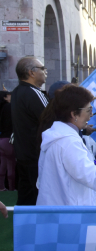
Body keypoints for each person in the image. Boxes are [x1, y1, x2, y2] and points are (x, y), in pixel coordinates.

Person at [11, 57, 49, 205]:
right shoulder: (34, 93)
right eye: (42, 68)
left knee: (26, 198)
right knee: (40, 198)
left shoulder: (16, 92)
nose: (45, 71)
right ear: (31, 73)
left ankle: (23, 226)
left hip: (23, 154)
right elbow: (51, 121)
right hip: (37, 156)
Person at [0, 91, 15, 191]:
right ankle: (11, 188)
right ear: (5, 97)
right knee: (11, 165)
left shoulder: (2, 109)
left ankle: (1, 187)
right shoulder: (10, 107)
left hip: (1, 139)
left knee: (2, 165)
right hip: (9, 140)